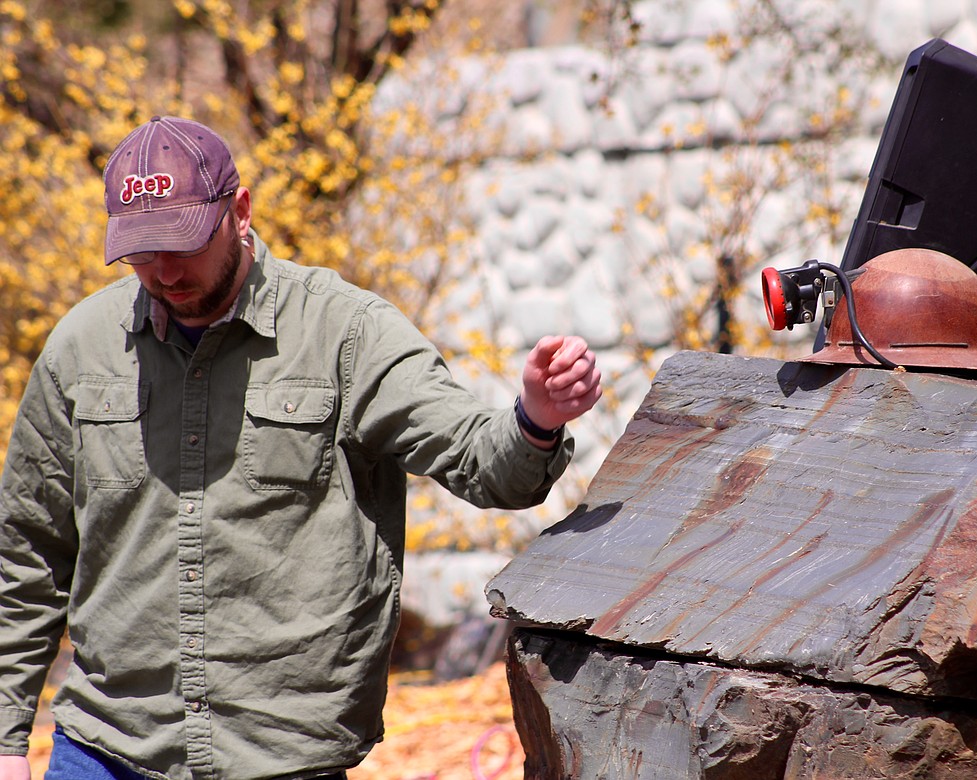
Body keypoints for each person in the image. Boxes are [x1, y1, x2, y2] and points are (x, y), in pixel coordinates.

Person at [0, 116, 602, 779]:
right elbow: (27, 550)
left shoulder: (345, 333)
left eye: (184, 244)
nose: (165, 272)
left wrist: (536, 418)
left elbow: (484, 464)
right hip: (108, 747)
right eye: (142, 252)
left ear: (240, 211)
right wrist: (5, 740)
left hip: (282, 757)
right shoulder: (81, 347)